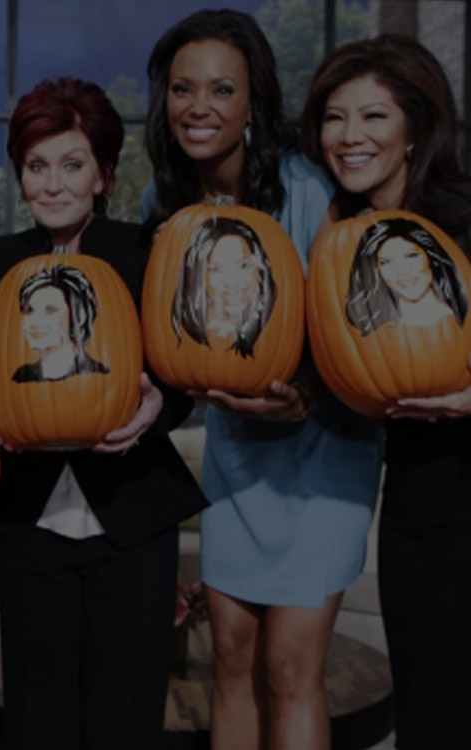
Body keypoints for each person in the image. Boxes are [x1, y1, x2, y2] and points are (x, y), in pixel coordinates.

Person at [140, 10, 383, 749]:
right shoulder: (168, 205)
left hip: (324, 455)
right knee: (235, 658)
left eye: (222, 89)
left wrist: (302, 393)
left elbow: (346, 321)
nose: (200, 107)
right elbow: (173, 338)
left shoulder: (309, 188)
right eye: (184, 89)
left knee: (287, 664)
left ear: (253, 103)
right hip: (238, 459)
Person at [0, 76, 206, 750]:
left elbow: (182, 372)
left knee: (126, 721)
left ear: (103, 175)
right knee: (37, 721)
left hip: (132, 521)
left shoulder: (144, 254)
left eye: (71, 166)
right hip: (30, 523)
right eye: (36, 166)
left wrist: (160, 404)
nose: (52, 184)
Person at [300, 33, 471, 747]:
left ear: (415, 128)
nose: (349, 136)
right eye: (335, 117)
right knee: (431, 714)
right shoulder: (337, 238)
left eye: (373, 116)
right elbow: (335, 367)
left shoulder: (464, 220)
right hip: (418, 502)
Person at [172, 216, 276, 358]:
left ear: (260, 270)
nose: (232, 282)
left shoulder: (271, 342)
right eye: (215, 270)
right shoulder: (181, 345)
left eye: (243, 266)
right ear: (197, 275)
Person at [345, 217, 467, 334]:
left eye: (411, 256)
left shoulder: (463, 317)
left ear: (431, 258)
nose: (401, 271)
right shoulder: (380, 335)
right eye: (386, 262)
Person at [13, 264, 109, 382]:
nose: (35, 322)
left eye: (50, 310)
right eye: (29, 310)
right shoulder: (20, 377)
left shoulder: (99, 375)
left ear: (79, 316)